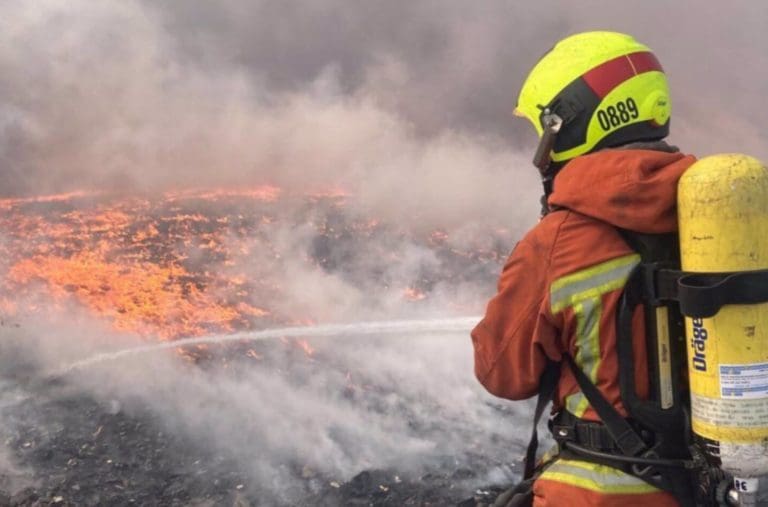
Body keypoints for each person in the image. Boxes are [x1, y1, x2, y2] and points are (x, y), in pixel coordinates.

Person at [471, 31, 699, 506]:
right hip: (715, 486)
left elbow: (501, 373)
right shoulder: (720, 218)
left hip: (595, 494)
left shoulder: (557, 242)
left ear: (569, 126)